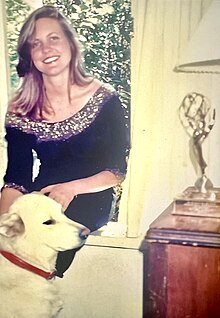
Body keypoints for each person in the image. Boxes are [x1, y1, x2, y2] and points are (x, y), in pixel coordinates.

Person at [0, 5, 129, 277]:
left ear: (70, 43)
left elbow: (117, 171)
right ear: (29, 55)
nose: (46, 49)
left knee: (38, 245)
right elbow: (17, 178)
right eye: (36, 44)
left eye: (53, 38)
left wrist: (70, 189)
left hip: (90, 195)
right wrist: (3, 221)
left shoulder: (106, 99)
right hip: (43, 195)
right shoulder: (21, 108)